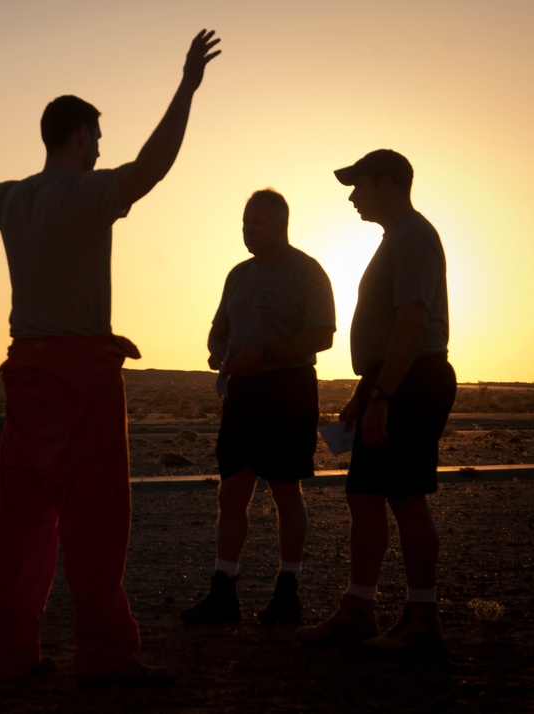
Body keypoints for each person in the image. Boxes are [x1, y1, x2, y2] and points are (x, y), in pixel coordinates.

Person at [0, 29, 222, 687]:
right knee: (96, 525)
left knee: (18, 526)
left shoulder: (14, 201)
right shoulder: (89, 194)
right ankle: (106, 657)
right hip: (82, 379)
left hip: (26, 377)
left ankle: (9, 656)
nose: (101, 148)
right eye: (97, 137)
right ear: (78, 136)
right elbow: (153, 165)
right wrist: (187, 87)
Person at [296, 150, 456, 654]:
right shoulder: (399, 239)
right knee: (365, 494)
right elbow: (394, 327)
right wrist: (366, 394)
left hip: (412, 382)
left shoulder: (412, 237)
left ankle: (422, 618)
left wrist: (383, 394)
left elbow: (412, 323)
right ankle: (358, 610)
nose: (351, 196)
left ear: (387, 183)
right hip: (392, 382)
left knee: (407, 496)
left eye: (359, 184)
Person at [181, 189, 335, 628]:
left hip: (287, 389)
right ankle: (223, 591)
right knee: (232, 492)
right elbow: (218, 329)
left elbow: (322, 336)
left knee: (286, 491)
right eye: (245, 222)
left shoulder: (307, 272)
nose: (248, 230)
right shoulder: (238, 275)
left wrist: (265, 355)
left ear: (282, 224)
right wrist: (217, 353)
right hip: (242, 392)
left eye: (257, 223)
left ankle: (288, 593)